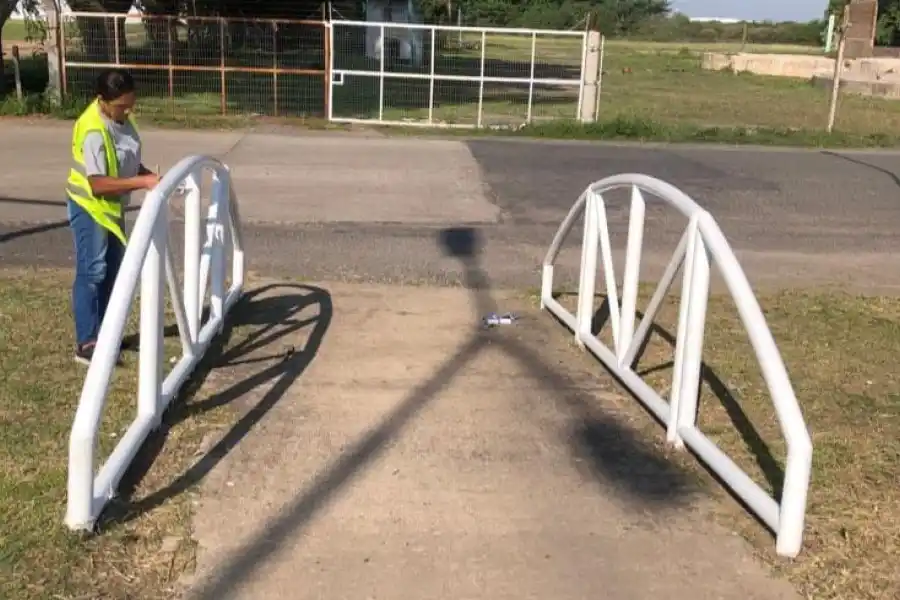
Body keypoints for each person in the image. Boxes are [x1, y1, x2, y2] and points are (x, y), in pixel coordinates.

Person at [66, 68, 160, 365]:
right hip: (90, 207)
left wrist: (148, 175)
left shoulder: (121, 119)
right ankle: (87, 343)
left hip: (111, 208)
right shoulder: (94, 129)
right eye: (121, 106)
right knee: (92, 272)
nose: (127, 111)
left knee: (113, 271)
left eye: (131, 104)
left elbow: (125, 159)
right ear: (102, 101)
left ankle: (107, 333)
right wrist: (142, 183)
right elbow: (98, 183)